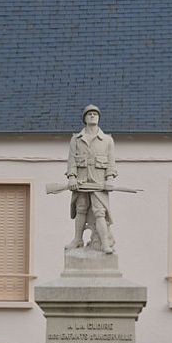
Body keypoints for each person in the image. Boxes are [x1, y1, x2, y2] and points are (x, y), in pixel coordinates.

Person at [65, 105, 117, 254]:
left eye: (95, 114)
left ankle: (105, 243)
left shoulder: (107, 140)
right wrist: (72, 177)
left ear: (99, 118)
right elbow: (71, 161)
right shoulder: (76, 139)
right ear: (84, 119)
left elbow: (111, 163)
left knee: (100, 212)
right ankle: (77, 239)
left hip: (99, 182)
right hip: (81, 182)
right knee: (81, 209)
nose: (92, 116)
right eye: (89, 114)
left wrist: (109, 179)